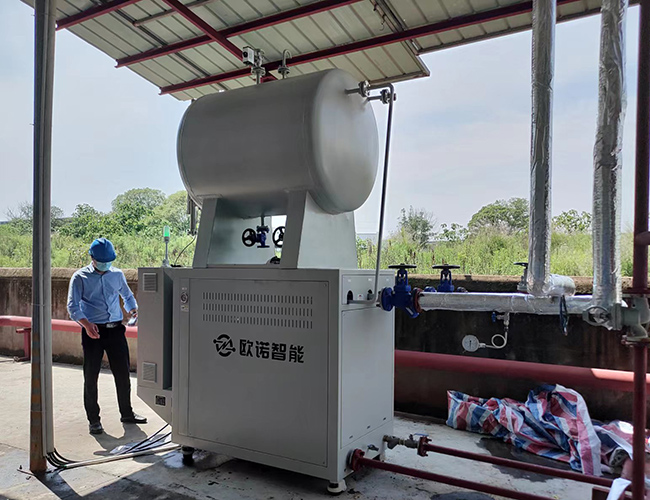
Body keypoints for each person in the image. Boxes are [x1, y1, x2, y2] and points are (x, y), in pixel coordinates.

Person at [67, 237, 147, 435]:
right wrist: (86, 324)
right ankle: (94, 420)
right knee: (91, 376)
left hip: (115, 330)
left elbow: (127, 295)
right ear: (92, 258)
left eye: (109, 261)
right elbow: (73, 306)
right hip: (93, 331)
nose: (105, 264)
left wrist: (133, 310)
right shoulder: (80, 277)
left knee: (123, 374)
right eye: (102, 261)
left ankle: (127, 413)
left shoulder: (117, 275)